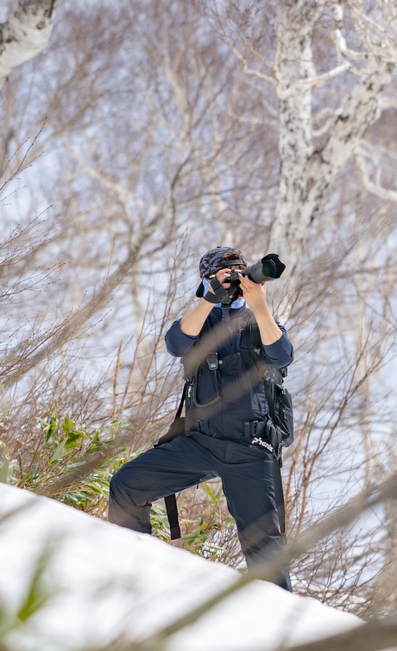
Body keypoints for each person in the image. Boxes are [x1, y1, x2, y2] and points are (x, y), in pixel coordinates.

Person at [108, 246, 293, 590]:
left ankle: (285, 636)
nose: (235, 280)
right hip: (201, 442)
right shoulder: (200, 319)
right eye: (225, 274)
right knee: (127, 484)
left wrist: (261, 306)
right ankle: (131, 575)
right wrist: (210, 298)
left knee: (265, 550)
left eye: (239, 272)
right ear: (208, 281)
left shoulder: (261, 321)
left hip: (250, 449)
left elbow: (282, 357)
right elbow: (176, 344)